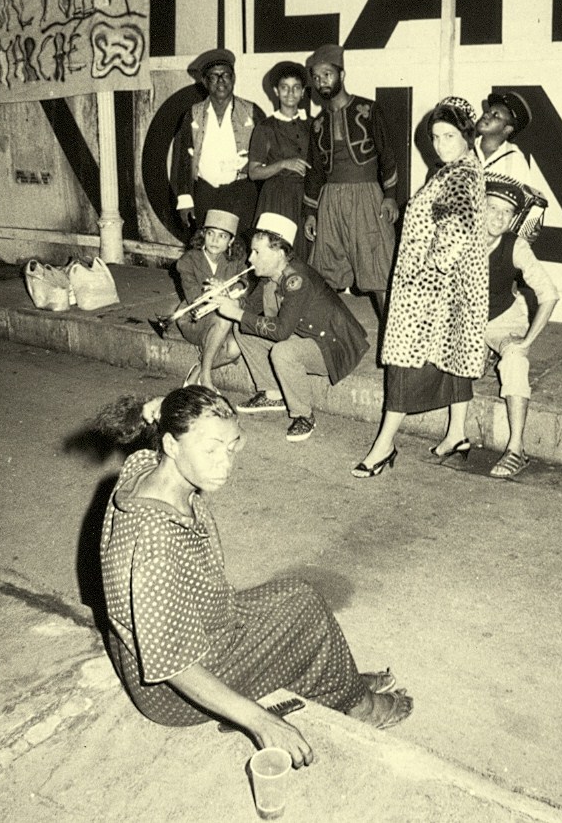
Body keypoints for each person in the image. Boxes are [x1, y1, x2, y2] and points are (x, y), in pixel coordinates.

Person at [98, 386, 412, 758]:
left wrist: (164, 407)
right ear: (171, 444)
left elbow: (199, 428)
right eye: (211, 450)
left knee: (299, 596)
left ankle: (338, 678)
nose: (225, 464)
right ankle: (359, 706)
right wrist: (259, 721)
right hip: (173, 692)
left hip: (207, 621)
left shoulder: (148, 466)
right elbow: (175, 667)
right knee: (306, 617)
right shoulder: (155, 547)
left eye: (230, 448)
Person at [352, 97, 488, 478]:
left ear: (467, 136)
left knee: (403, 364)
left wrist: (425, 274)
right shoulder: (460, 168)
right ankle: (457, 434)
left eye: (449, 136)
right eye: (436, 137)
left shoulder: (459, 176)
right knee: (454, 353)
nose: (441, 145)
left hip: (432, 290)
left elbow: (455, 231)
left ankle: (384, 445)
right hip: (456, 289)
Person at [212, 212, 369, 441]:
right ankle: (273, 393)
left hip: (332, 345)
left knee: (282, 351)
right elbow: (249, 309)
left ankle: (304, 415)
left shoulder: (298, 280)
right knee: (242, 328)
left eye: (257, 252)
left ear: (279, 253)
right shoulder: (271, 274)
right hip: (305, 335)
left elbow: (281, 331)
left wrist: (237, 313)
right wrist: (228, 299)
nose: (250, 259)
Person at [303, 44, 398, 317]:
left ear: (341, 75)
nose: (321, 81)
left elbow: (387, 155)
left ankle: (392, 337)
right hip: (330, 202)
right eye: (316, 77)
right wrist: (310, 213)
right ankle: (332, 333)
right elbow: (315, 172)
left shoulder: (368, 109)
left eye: (327, 74)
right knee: (326, 270)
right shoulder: (318, 123)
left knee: (378, 265)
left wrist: (390, 196)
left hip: (367, 197)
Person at [478, 177, 559, 479]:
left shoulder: (516, 245)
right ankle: (484, 355)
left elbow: (549, 294)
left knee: (513, 360)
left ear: (514, 218)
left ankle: (516, 449)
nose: (499, 217)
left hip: (503, 319)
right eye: (492, 208)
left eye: (507, 212)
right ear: (479, 207)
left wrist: (525, 342)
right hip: (469, 321)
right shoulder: (461, 236)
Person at [171, 48, 265, 233]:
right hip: (204, 193)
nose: (221, 81)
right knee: (206, 243)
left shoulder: (252, 112)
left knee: (238, 244)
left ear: (233, 78)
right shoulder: (193, 115)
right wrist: (185, 200)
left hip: (241, 194)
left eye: (226, 75)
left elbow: (266, 157)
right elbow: (182, 161)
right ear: (205, 82)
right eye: (214, 76)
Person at [174, 209, 250, 391]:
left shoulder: (236, 262)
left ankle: (197, 372)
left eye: (222, 236)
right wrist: (215, 292)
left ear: (231, 240)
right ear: (203, 234)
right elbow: (193, 297)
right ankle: (206, 379)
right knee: (223, 317)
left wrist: (228, 290)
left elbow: (243, 291)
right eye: (210, 234)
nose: (215, 241)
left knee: (234, 348)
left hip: (225, 320)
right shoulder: (188, 260)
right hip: (194, 317)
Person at [248, 61, 311, 259]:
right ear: (276, 91)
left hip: (306, 198)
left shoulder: (312, 125)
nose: (290, 93)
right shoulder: (265, 127)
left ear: (303, 92)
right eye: (284, 87)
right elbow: (254, 172)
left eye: (296, 87)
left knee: (303, 255)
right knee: (276, 254)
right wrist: (284, 163)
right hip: (277, 199)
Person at [474, 90, 532, 185]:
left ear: (507, 129)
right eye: (488, 111)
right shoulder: (464, 146)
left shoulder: (516, 161)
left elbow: (523, 194)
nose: (486, 115)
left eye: (495, 115)